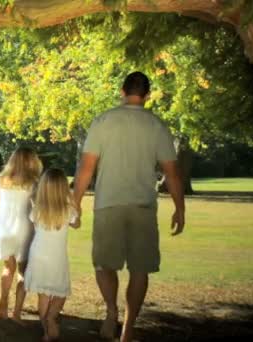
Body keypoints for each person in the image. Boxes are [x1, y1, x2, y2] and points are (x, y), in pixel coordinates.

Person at [73, 71, 186, 342]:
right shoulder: (157, 125)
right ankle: (128, 327)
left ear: (122, 91)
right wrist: (180, 208)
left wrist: (74, 204)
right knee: (139, 269)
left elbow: (86, 169)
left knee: (104, 264)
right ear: (147, 96)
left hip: (108, 203)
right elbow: (172, 173)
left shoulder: (103, 122)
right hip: (143, 206)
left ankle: (111, 312)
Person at [0, 147, 43, 323]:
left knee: (8, 267)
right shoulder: (34, 182)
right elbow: (39, 207)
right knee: (23, 271)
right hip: (25, 229)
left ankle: (3, 304)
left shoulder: (2, 180)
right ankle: (17, 312)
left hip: (5, 229)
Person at [24, 168, 80, 341]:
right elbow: (77, 224)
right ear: (63, 188)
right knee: (61, 291)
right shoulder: (68, 210)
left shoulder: (37, 210)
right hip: (57, 257)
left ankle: (46, 331)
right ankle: (51, 317)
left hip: (38, 254)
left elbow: (34, 224)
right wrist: (74, 203)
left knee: (43, 294)